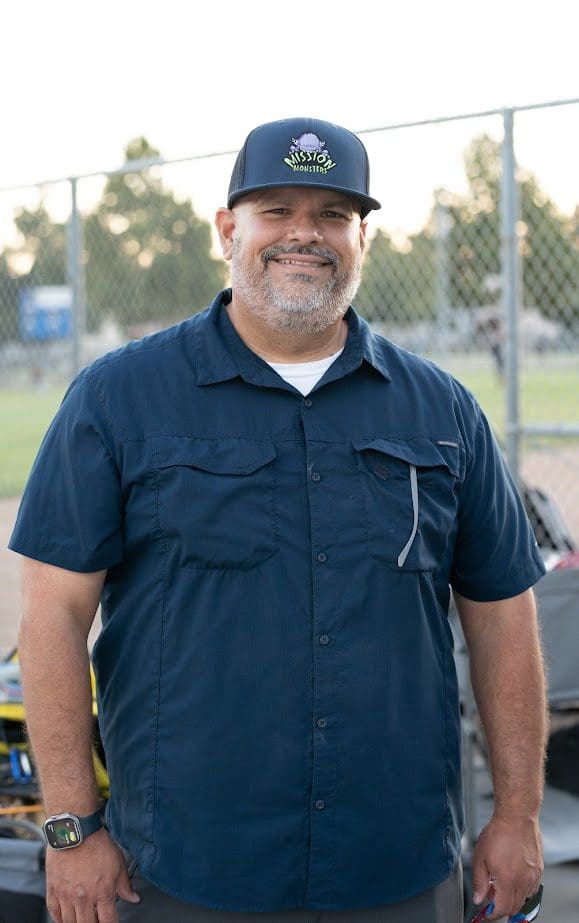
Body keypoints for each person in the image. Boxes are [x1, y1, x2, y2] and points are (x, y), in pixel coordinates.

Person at [9, 117, 547, 923]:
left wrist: (518, 814)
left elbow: (504, 618)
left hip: (391, 861)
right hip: (181, 867)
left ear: (363, 236)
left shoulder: (442, 410)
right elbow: (52, 617)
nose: (305, 233)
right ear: (228, 228)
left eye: (332, 213)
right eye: (276, 209)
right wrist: (70, 828)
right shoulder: (119, 399)